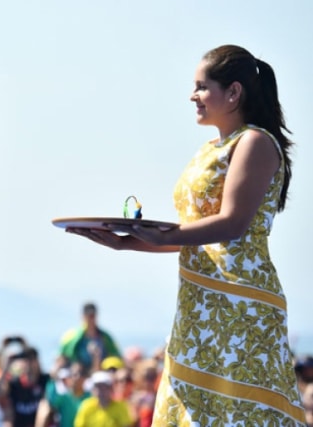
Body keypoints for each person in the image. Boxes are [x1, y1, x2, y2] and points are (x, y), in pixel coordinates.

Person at [66, 44, 305, 425]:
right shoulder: (209, 148)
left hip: (240, 303)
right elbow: (194, 235)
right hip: (199, 302)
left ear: (234, 92)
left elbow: (233, 224)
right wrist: (129, 242)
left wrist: (159, 236)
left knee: (240, 413)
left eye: (201, 86)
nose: (192, 95)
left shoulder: (255, 142)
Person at [59, 303, 121, 375]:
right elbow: (61, 357)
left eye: (92, 316)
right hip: (78, 375)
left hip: (101, 374)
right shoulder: (71, 337)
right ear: (83, 317)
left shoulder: (106, 337)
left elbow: (116, 356)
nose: (90, 319)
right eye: (88, 316)